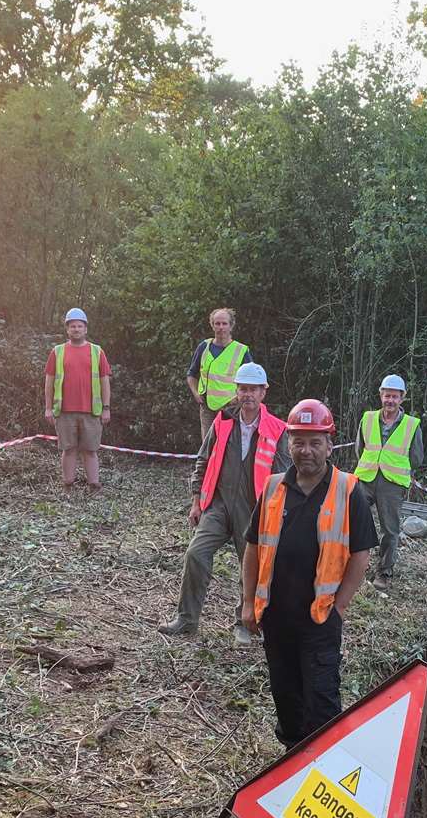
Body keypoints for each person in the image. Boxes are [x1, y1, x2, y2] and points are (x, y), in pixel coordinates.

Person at [242, 399, 377, 747]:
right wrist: (247, 604)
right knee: (286, 698)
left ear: (330, 445)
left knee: (322, 704)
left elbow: (360, 553)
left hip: (319, 618)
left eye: (315, 442)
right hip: (275, 617)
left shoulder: (348, 490)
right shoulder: (273, 488)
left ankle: (324, 771)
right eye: (299, 441)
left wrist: (340, 606)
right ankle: (291, 764)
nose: (306, 450)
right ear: (288, 444)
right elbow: (253, 548)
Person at [160, 363, 290, 644]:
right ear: (237, 391)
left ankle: (244, 623)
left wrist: (276, 516)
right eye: (243, 389)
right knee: (196, 553)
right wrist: (196, 501)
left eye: (254, 389)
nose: (248, 395)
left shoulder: (277, 429)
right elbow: (203, 460)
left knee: (251, 567)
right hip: (218, 505)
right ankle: (186, 619)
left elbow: (283, 478)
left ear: (263, 392)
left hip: (254, 509)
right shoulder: (222, 421)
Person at [354, 374, 423, 580]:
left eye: (394, 396)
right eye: (387, 396)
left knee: (389, 530)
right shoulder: (368, 418)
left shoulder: (412, 425)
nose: (390, 400)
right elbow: (360, 448)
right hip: (365, 479)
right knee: (354, 521)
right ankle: (354, 565)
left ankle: (384, 571)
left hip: (392, 484)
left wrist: (394, 467)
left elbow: (417, 458)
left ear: (402, 398)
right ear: (381, 396)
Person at [43, 308, 112, 493]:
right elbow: (49, 382)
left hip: (92, 411)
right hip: (64, 410)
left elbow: (105, 381)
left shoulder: (97, 352)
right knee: (68, 449)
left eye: (79, 326)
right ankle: (68, 485)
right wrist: (48, 408)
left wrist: (106, 408)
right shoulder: (57, 352)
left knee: (90, 450)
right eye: (72, 326)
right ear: (67, 329)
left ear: (85, 329)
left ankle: (94, 485)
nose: (76, 329)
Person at [186, 307, 252, 441]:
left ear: (231, 326)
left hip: (231, 406)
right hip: (206, 406)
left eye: (224, 323)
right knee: (208, 444)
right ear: (212, 325)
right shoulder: (204, 347)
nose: (221, 327)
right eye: (217, 323)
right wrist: (196, 393)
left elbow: (252, 380)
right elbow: (191, 374)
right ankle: (208, 463)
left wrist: (240, 398)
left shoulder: (241, 350)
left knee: (229, 443)